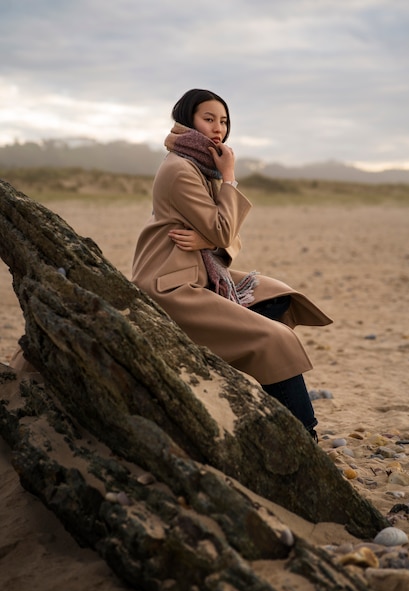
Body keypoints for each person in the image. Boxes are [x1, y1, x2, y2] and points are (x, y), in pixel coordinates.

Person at [131, 88, 332, 440]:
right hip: (172, 285)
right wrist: (229, 179)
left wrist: (208, 240)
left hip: (199, 271)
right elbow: (225, 228)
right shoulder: (182, 170)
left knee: (278, 297)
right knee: (274, 338)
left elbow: (227, 235)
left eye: (223, 121)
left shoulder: (198, 164)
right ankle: (302, 434)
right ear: (187, 120)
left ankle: (237, 365)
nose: (218, 128)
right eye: (208, 119)